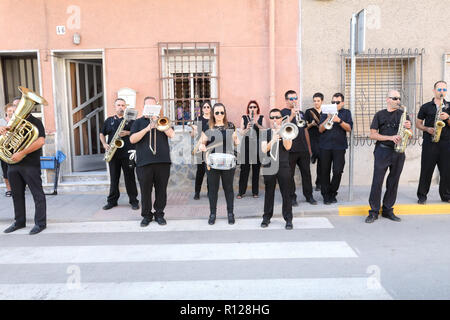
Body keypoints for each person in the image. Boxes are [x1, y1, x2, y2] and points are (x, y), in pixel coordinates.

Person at [1, 96, 47, 235]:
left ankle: (40, 223)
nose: (16, 109)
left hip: (30, 164)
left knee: (37, 194)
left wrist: (22, 153)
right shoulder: (12, 123)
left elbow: (41, 142)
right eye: (14, 107)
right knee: (16, 195)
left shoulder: (35, 122)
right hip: (13, 165)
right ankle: (19, 222)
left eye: (18, 106)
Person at [365, 90, 412, 223]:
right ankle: (373, 212)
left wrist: (409, 127)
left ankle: (387, 210)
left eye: (399, 98)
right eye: (395, 98)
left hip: (399, 152)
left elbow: (411, 133)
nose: (398, 101)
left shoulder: (403, 114)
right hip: (382, 151)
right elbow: (372, 135)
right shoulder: (380, 115)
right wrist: (390, 138)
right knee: (377, 182)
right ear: (387, 99)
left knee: (393, 182)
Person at [130, 97, 175, 227]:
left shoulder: (163, 121)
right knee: (145, 191)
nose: (151, 108)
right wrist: (147, 128)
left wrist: (159, 123)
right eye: (148, 106)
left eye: (153, 106)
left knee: (161, 190)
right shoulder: (138, 122)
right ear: (144, 107)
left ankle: (159, 214)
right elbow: (132, 139)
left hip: (162, 161)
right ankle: (146, 216)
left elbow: (172, 135)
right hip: (144, 163)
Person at [198, 103, 240, 225]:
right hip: (212, 162)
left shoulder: (231, 126)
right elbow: (202, 142)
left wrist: (236, 140)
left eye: (222, 112)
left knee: (228, 188)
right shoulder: (208, 126)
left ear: (224, 113)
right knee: (213, 189)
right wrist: (202, 146)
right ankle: (212, 214)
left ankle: (230, 213)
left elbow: (236, 142)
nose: (219, 115)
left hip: (227, 162)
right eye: (217, 113)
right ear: (213, 114)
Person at [100, 98, 139, 211]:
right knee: (114, 178)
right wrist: (104, 144)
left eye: (123, 105)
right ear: (115, 106)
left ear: (125, 107)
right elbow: (102, 133)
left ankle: (134, 201)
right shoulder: (109, 120)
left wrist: (127, 132)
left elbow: (136, 133)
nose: (121, 107)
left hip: (128, 154)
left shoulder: (131, 120)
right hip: (113, 154)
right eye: (118, 105)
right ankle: (112, 201)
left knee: (130, 178)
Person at [416, 80, 450, 204]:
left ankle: (446, 196)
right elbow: (418, 124)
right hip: (429, 143)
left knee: (447, 170)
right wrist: (427, 129)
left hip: (446, 143)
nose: (442, 92)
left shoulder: (449, 106)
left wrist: (448, 118)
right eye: (439, 89)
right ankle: (422, 196)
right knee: (426, 169)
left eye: (444, 89)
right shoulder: (425, 106)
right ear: (434, 90)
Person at [281, 90, 317, 206]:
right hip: (290, 149)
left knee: (306, 174)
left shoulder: (301, 113)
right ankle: (292, 197)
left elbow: (305, 130)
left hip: (303, 149)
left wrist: (309, 148)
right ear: (286, 100)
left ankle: (309, 196)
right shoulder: (283, 113)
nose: (294, 100)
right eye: (291, 99)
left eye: (295, 98)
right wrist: (291, 115)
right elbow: (282, 127)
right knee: (290, 175)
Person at [261, 108, 294, 230]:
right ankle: (266, 217)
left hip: (283, 165)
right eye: (272, 117)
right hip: (269, 165)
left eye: (277, 117)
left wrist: (282, 133)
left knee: (286, 193)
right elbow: (264, 149)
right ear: (270, 119)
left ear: (281, 118)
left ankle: (288, 219)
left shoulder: (286, 130)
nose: (275, 119)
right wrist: (273, 140)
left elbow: (288, 146)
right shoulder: (265, 133)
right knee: (269, 193)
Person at [318, 93, 353, 204]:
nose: (334, 104)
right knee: (324, 172)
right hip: (325, 146)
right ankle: (325, 195)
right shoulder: (325, 112)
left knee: (338, 171)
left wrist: (339, 121)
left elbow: (349, 128)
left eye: (337, 102)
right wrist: (328, 118)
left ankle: (333, 193)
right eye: (333, 102)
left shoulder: (346, 113)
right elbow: (320, 129)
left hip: (339, 146)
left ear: (342, 103)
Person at [237, 100, 266, 199]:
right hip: (246, 145)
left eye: (254, 107)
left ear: (257, 108)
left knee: (256, 170)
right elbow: (241, 133)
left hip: (257, 146)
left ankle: (255, 192)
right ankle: (241, 192)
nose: (252, 108)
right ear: (248, 108)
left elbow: (264, 131)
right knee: (244, 170)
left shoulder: (261, 118)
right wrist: (247, 128)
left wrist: (257, 124)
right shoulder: (244, 118)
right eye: (250, 107)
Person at [191, 100, 212, 200]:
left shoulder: (213, 119)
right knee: (200, 172)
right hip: (200, 148)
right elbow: (192, 135)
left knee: (210, 171)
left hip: (211, 147)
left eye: (208, 107)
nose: (206, 109)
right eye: (204, 107)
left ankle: (209, 192)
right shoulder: (198, 119)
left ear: (211, 108)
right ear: (202, 109)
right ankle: (197, 192)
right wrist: (194, 130)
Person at [305, 93, 324, 191]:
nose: (316, 103)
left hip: (323, 138)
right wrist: (311, 125)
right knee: (314, 154)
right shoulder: (309, 112)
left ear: (322, 101)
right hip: (312, 138)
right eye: (315, 101)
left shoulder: (325, 111)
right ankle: (313, 156)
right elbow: (304, 127)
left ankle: (319, 183)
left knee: (321, 163)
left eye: (318, 101)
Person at [0, 103, 17, 197]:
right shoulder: (1, 121)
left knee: (16, 170)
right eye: (10, 111)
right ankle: (9, 189)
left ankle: (18, 187)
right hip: (3, 150)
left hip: (15, 149)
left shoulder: (18, 121)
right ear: (6, 112)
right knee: (6, 171)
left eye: (14, 111)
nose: (11, 112)